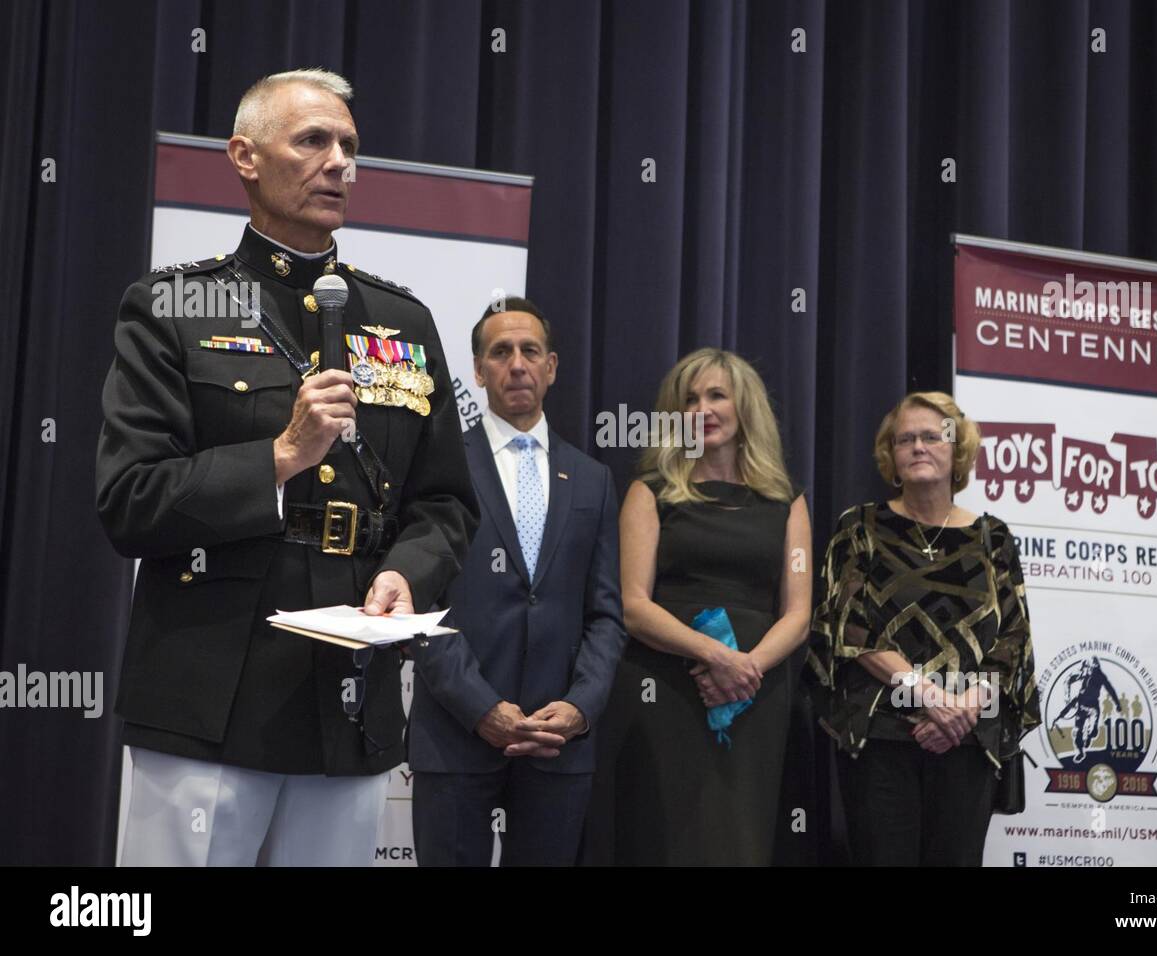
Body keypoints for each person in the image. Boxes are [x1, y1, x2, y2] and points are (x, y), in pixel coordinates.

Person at [95, 68, 477, 866]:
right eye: (313, 141)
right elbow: (130, 501)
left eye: (349, 146)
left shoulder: (403, 321)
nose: (339, 162)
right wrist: (278, 458)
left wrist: (409, 573)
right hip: (208, 696)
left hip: (348, 700)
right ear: (244, 155)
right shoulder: (174, 307)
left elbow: (445, 503)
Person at [407, 296, 625, 866]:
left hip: (559, 747)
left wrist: (579, 709)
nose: (517, 364)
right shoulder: (438, 467)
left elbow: (606, 615)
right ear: (477, 371)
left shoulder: (593, 480)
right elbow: (419, 609)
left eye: (530, 351)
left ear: (552, 367)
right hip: (457, 737)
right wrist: (482, 708)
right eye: (500, 352)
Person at [591, 348, 812, 865]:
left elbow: (798, 613)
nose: (703, 409)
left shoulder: (787, 501)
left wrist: (746, 668)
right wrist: (716, 658)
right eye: (689, 399)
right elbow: (633, 605)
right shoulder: (650, 492)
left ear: (745, 408)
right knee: (665, 836)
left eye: (717, 395)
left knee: (740, 841)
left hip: (757, 691)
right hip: (664, 689)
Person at [807, 391, 1039, 866]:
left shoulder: (993, 538)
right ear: (890, 455)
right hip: (882, 737)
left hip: (968, 738)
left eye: (932, 437)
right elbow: (849, 629)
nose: (917, 446)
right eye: (905, 438)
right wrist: (931, 700)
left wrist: (963, 712)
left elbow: (1013, 641)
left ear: (957, 452)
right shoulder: (861, 529)